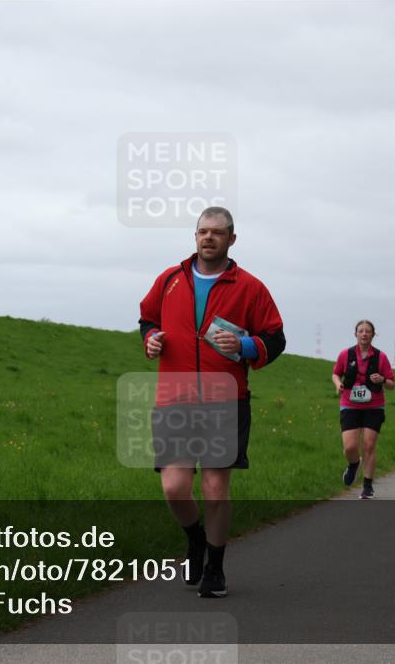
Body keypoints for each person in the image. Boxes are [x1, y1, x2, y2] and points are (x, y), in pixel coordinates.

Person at [138, 207, 285, 598]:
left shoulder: (250, 287)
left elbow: (275, 338)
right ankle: (195, 539)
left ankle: (215, 569)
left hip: (225, 401)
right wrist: (150, 339)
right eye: (203, 231)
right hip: (174, 400)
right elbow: (148, 319)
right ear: (195, 235)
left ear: (231, 239)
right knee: (174, 487)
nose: (208, 238)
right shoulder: (170, 279)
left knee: (216, 488)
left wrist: (245, 345)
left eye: (217, 233)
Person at [331, 320, 395, 499]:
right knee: (350, 447)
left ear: (373, 335)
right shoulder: (346, 354)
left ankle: (367, 486)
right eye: (361, 331)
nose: (364, 334)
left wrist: (382, 380)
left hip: (374, 406)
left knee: (369, 445)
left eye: (368, 331)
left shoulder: (381, 357)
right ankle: (353, 464)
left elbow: (392, 384)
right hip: (350, 405)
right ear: (356, 334)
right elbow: (336, 373)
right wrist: (338, 384)